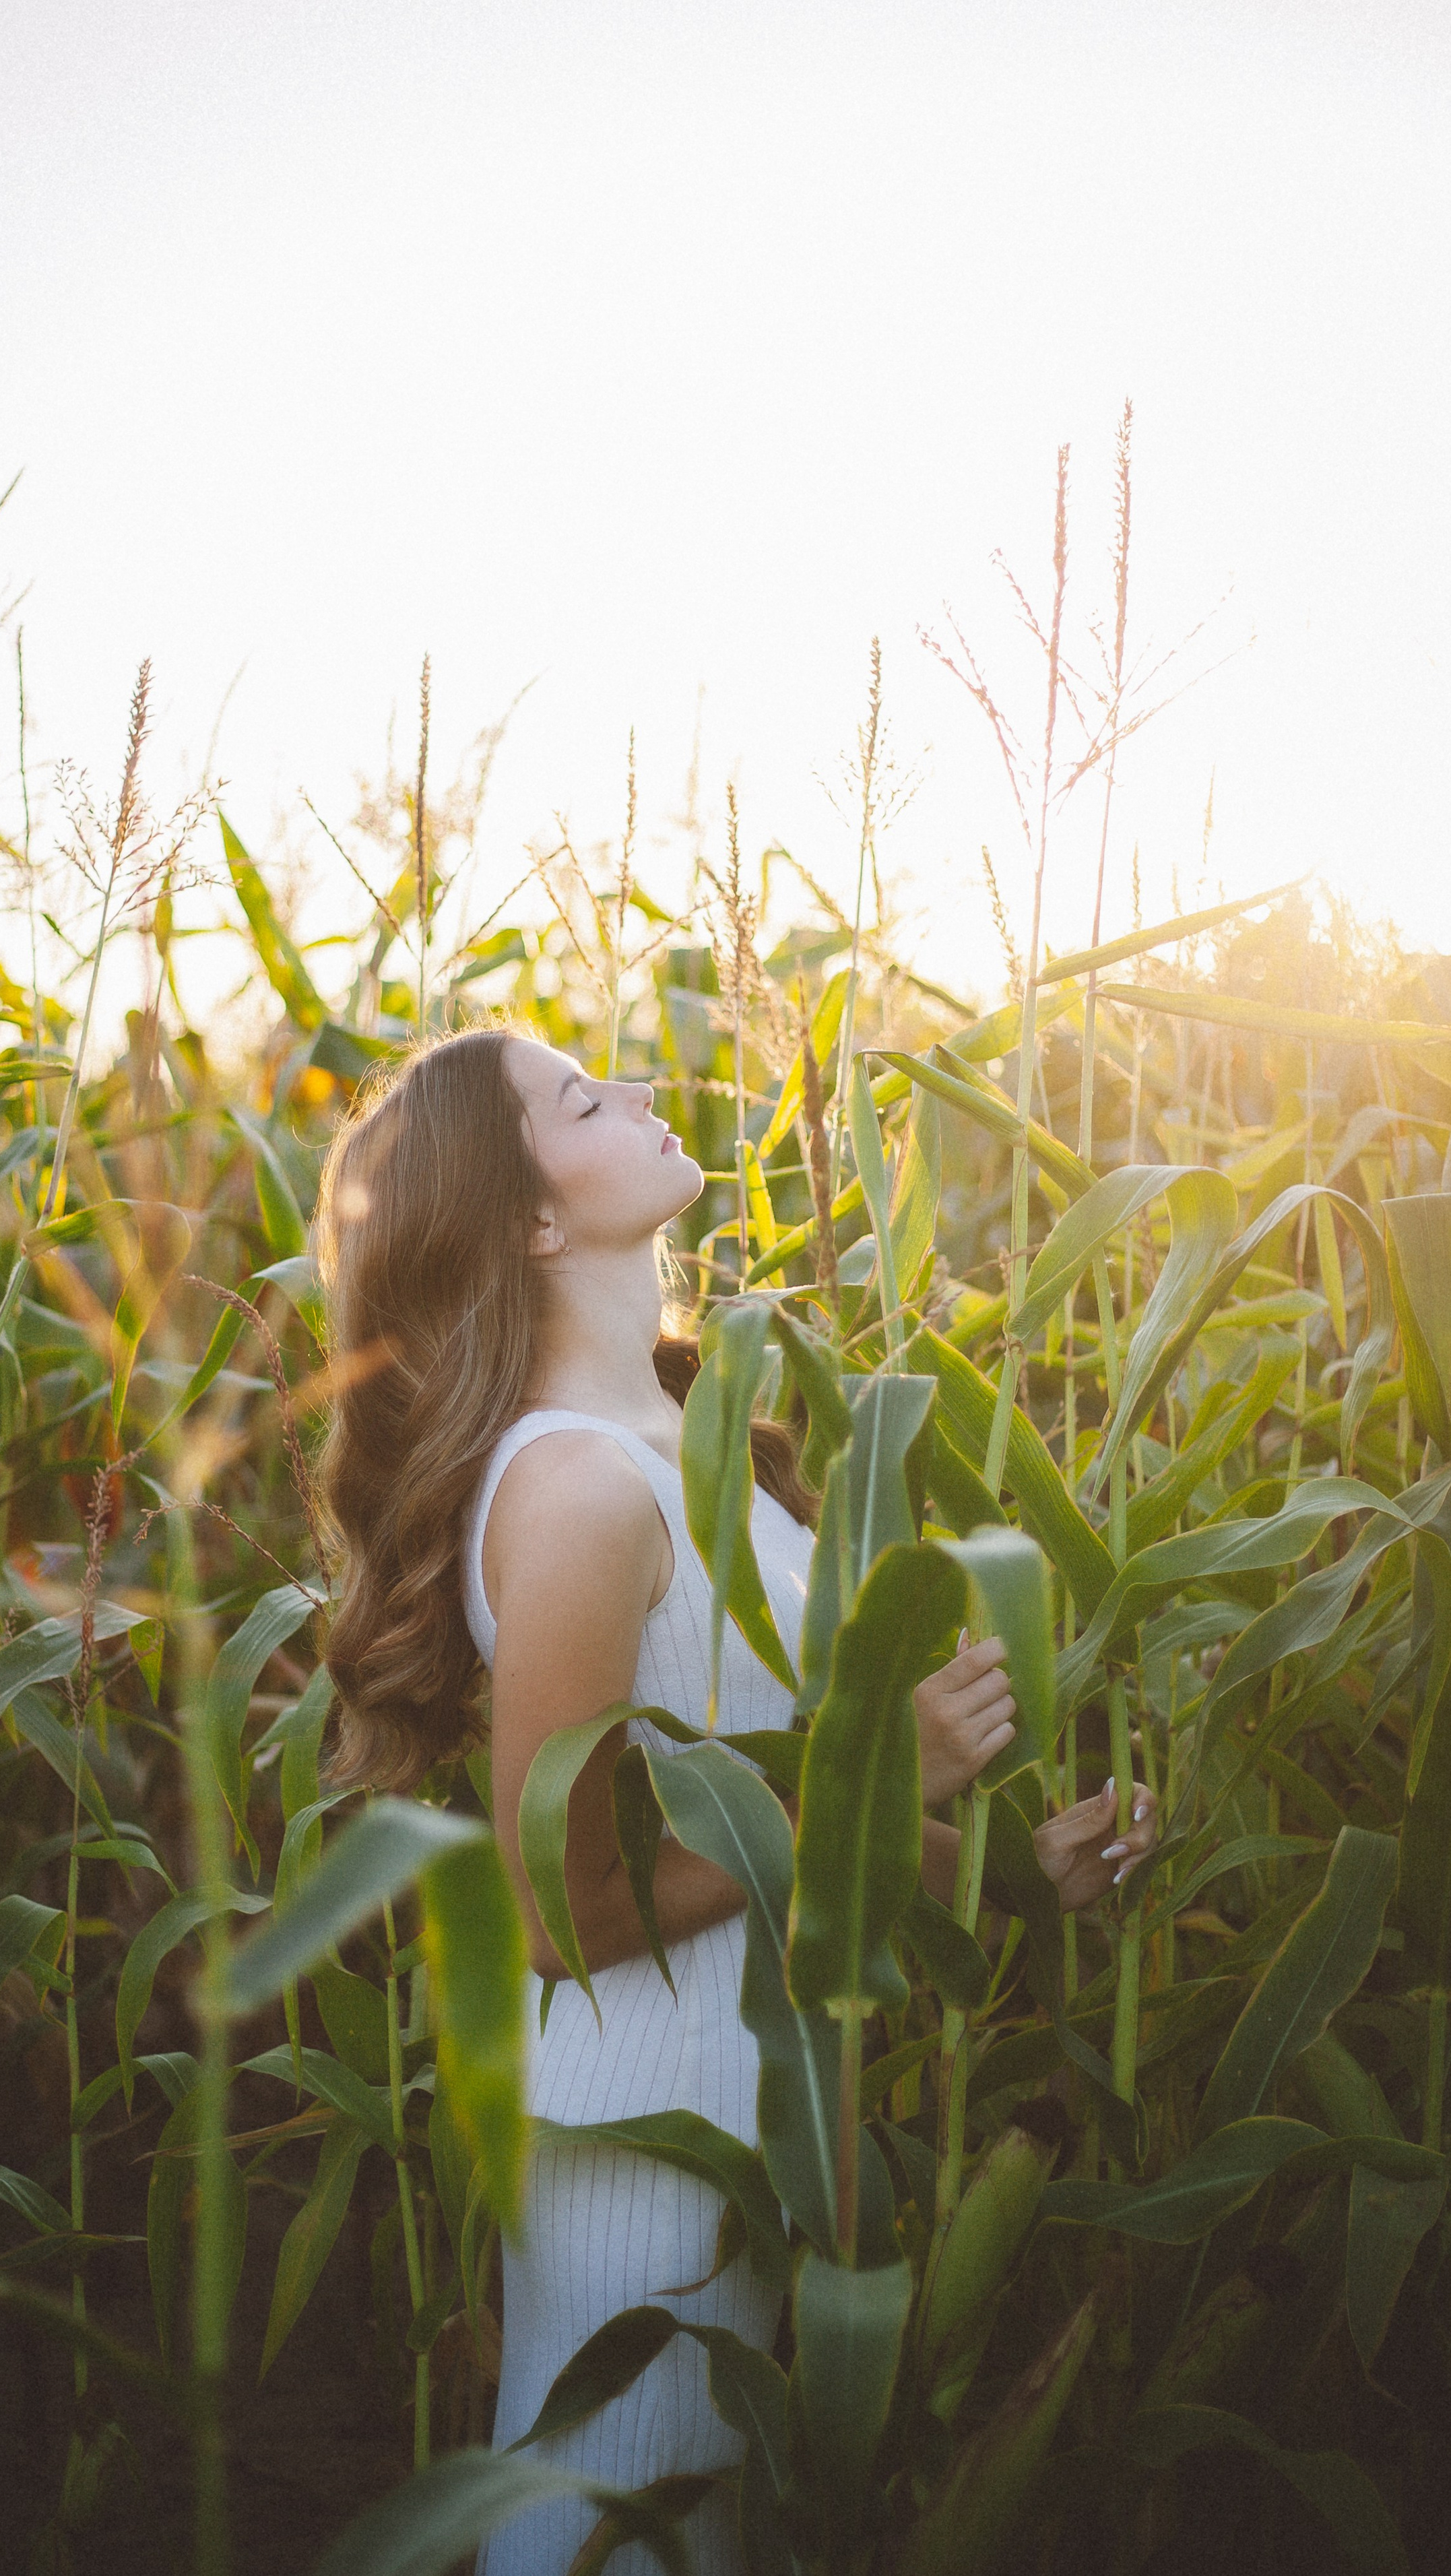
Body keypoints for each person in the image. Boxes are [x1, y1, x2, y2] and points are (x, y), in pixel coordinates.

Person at [317, 1026, 1156, 2576]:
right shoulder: (576, 1489)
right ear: (530, 1221)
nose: (638, 1091)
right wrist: (874, 1760)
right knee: (612, 2538)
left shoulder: (697, 1450)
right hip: (648, 2152)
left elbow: (751, 1822)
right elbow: (563, 1912)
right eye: (583, 1098)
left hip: (755, 2124)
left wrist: (1018, 1877)